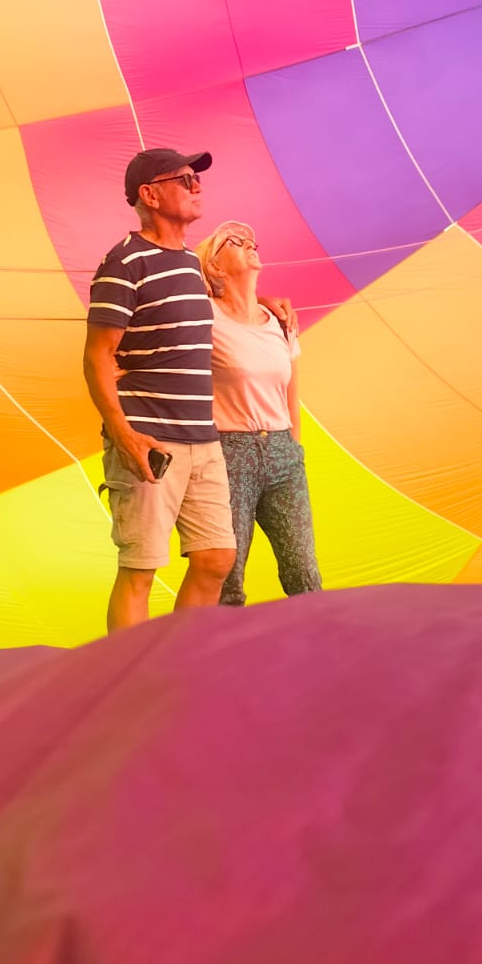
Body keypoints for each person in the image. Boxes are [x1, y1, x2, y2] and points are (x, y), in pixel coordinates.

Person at [83, 150, 293, 632]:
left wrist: (262, 299)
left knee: (217, 557)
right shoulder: (125, 262)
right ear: (150, 195)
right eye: (184, 179)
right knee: (141, 567)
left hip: (204, 439)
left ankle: (175, 663)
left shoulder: (185, 265)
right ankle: (129, 679)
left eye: (196, 178)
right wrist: (123, 434)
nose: (197, 185)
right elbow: (97, 355)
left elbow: (206, 302)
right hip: (150, 437)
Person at [195, 220, 322, 608]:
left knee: (304, 570)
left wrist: (293, 449)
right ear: (214, 267)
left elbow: (292, 396)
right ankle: (219, 661)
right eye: (235, 241)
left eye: (252, 239)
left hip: (283, 452)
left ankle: (324, 655)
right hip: (231, 453)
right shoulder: (205, 319)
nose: (250, 243)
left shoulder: (282, 324)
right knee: (228, 576)